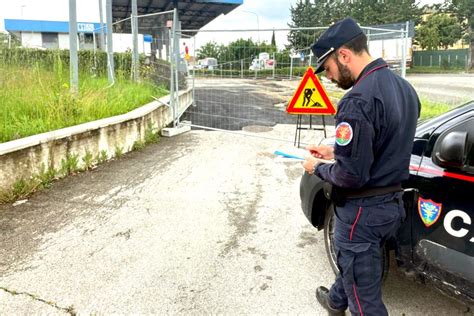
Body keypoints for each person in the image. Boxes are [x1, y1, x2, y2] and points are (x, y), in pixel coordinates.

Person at [302, 17, 420, 315]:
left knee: (364, 299)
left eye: (327, 68)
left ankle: (346, 301)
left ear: (343, 55)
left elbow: (350, 175)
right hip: (392, 207)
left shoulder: (357, 100)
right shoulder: (405, 89)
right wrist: (335, 149)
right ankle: (335, 302)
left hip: (361, 215)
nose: (328, 77)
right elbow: (384, 141)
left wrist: (317, 166)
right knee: (357, 266)